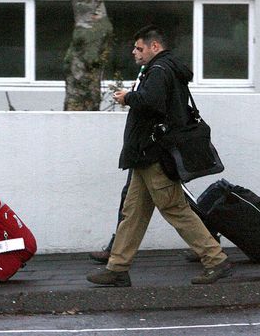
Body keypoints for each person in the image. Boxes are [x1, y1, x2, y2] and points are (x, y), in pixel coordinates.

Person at [86, 25, 231, 286]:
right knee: (133, 213)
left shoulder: (160, 70)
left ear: (155, 47)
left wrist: (128, 97)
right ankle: (117, 268)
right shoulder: (167, 69)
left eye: (138, 48)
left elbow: (153, 104)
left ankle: (215, 259)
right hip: (146, 155)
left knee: (174, 208)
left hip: (154, 154)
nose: (134, 52)